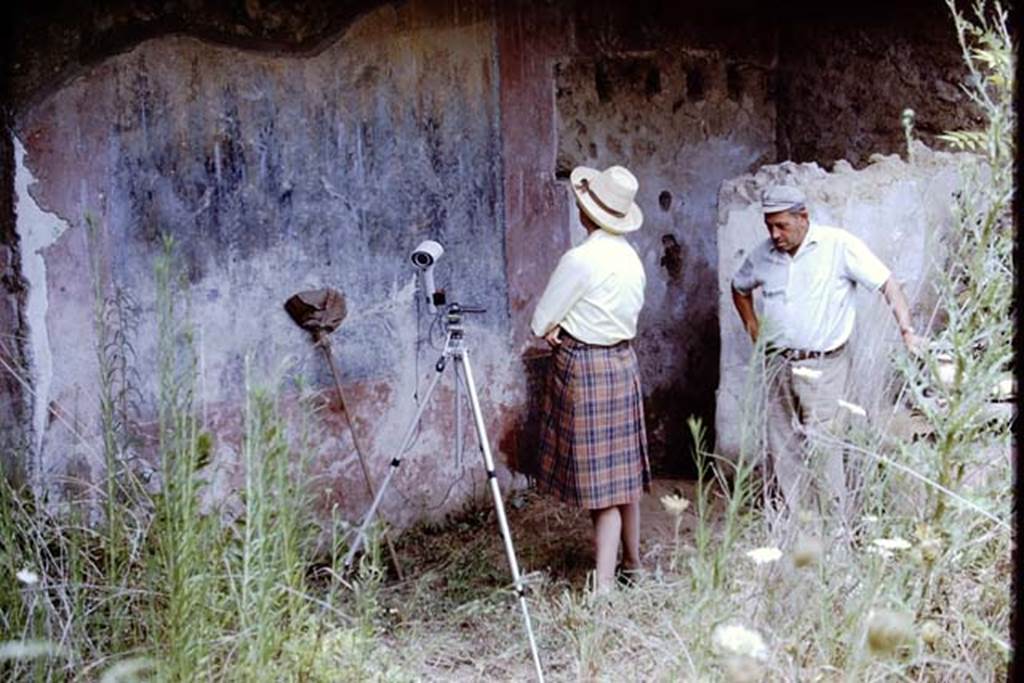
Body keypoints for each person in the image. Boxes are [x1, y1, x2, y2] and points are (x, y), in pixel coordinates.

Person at [730, 185, 923, 514]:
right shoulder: (763, 254)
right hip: (778, 363)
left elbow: (886, 283)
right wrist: (753, 327)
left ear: (803, 217)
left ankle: (833, 534)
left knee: (824, 448)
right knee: (783, 444)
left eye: (782, 226)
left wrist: (907, 331)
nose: (775, 234)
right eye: (769, 226)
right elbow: (739, 287)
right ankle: (797, 529)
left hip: (824, 365)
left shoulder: (838, 245)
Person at [530, 164, 651, 593]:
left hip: (586, 366)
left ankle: (603, 587)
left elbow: (541, 320)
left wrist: (555, 327)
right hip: (622, 363)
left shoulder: (580, 260)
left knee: (602, 487)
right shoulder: (631, 258)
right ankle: (633, 565)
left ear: (587, 214)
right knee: (625, 480)